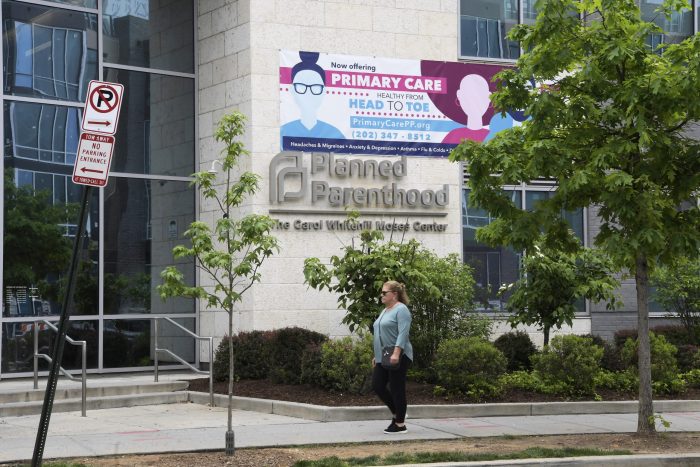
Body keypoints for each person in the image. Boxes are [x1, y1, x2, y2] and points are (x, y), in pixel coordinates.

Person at [372, 280, 413, 434]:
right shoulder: (385, 310)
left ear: (394, 294)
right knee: (377, 385)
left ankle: (400, 424)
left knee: (397, 388)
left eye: (384, 293)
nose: (381, 295)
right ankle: (398, 413)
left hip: (400, 354)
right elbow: (380, 335)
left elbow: (403, 333)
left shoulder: (401, 310)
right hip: (385, 355)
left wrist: (396, 353)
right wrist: (377, 356)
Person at [280, 51, 344, 147]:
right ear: (292, 90)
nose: (308, 93)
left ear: (324, 91)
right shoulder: (283, 131)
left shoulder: (336, 134)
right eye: (301, 86)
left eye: (315, 87)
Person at [441, 74, 491, 144]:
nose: (474, 102)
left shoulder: (493, 137)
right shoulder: (453, 135)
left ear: (489, 97)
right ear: (459, 95)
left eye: (479, 96)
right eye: (469, 96)